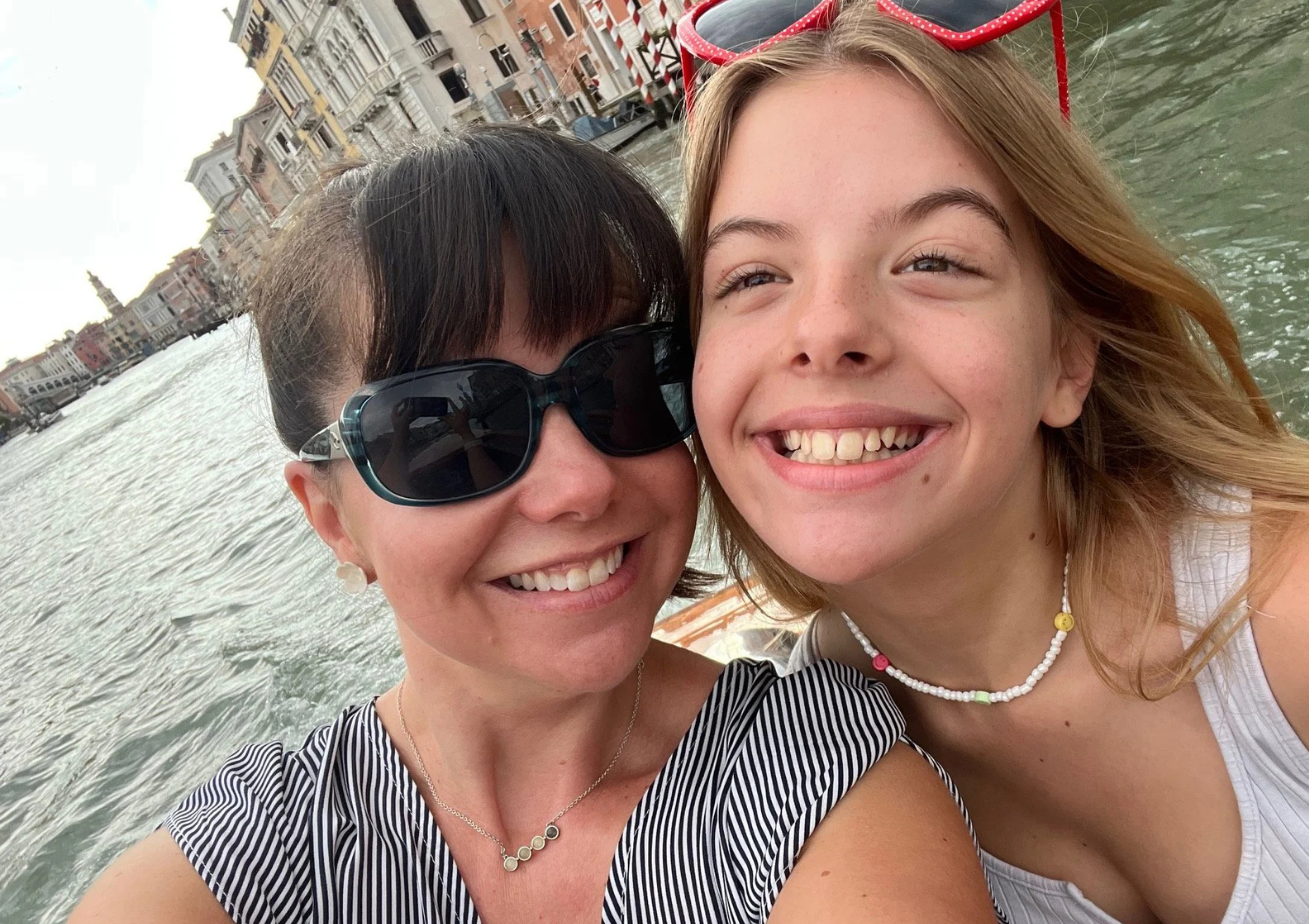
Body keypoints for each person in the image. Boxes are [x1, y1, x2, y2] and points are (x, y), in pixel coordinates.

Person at [678, 2, 1309, 923]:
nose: (826, 332)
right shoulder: (799, 761)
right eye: (751, 277)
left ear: (1069, 358)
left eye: (935, 261)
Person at [68, 125, 996, 924]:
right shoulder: (260, 841)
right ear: (332, 520)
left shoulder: (819, 786)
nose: (580, 483)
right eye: (448, 427)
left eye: (623, 380)